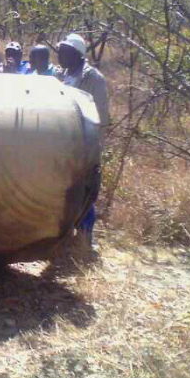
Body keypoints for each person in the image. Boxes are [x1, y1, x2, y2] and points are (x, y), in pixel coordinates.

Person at [58, 33, 110, 244]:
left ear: (78, 54)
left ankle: (85, 239)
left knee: (85, 189)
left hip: (84, 143)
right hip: (63, 142)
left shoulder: (93, 78)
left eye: (65, 52)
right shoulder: (63, 75)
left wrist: (91, 148)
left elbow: (100, 116)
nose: (61, 56)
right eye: (61, 52)